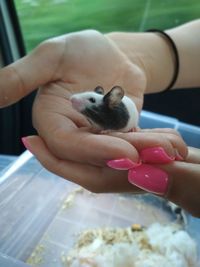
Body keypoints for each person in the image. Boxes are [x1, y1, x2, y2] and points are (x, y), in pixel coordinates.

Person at [0, 20, 199, 216]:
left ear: (109, 100)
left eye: (90, 100)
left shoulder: (115, 111)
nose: (74, 99)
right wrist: (132, 58)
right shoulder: (97, 112)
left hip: (123, 123)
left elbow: (114, 123)